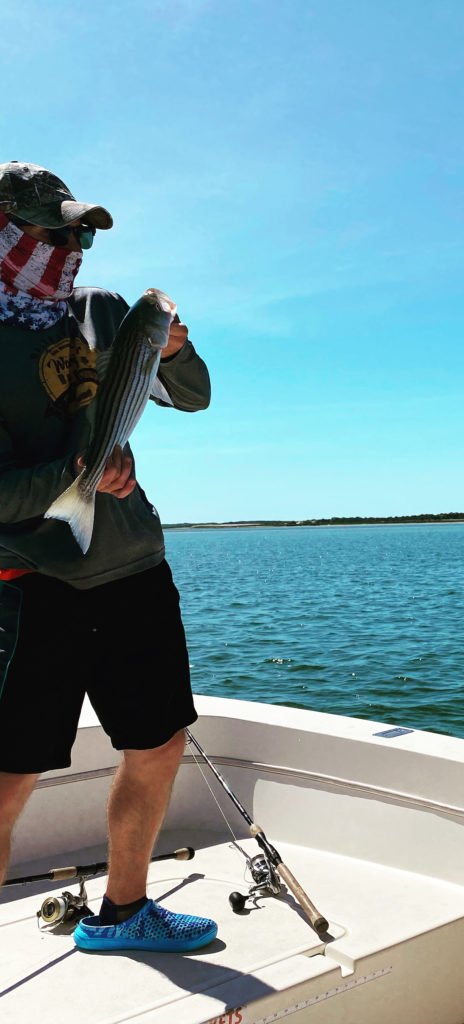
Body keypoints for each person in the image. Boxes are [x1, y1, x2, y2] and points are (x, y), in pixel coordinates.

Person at [0, 161, 216, 951]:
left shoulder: (103, 312)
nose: (72, 246)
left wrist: (178, 351)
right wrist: (79, 476)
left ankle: (125, 913)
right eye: (52, 229)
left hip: (132, 569)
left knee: (156, 744)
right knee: (8, 777)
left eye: (80, 232)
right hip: (30, 584)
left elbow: (189, 397)